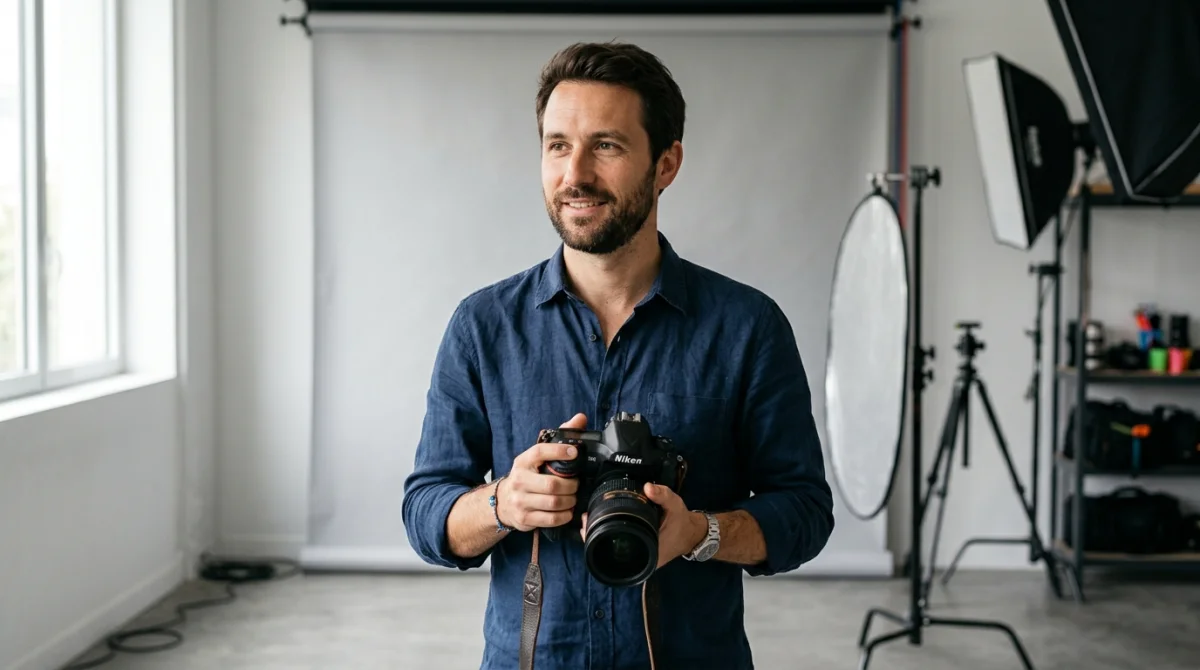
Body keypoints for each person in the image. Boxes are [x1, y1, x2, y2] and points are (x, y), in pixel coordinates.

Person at [402, 41, 834, 670]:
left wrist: (697, 533)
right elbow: (424, 513)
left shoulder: (748, 327)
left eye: (606, 145)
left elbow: (804, 512)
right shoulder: (482, 327)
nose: (574, 173)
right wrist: (503, 504)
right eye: (557, 145)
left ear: (666, 164)